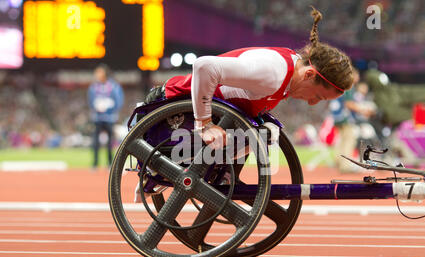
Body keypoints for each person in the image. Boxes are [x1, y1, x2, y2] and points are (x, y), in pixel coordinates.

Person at [135, 6, 355, 202]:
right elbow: (204, 67)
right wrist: (205, 124)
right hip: (167, 108)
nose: (311, 103)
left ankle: (221, 175)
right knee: (260, 133)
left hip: (196, 111)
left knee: (268, 131)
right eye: (317, 96)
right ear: (308, 75)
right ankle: (165, 173)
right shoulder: (273, 72)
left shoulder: (287, 74)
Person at [87, 64, 124, 170]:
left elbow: (119, 101)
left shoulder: (113, 86)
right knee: (95, 141)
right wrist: (96, 106)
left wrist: (110, 106)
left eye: (99, 72)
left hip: (109, 117)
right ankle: (95, 163)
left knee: (110, 142)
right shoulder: (93, 87)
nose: (97, 75)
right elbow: (90, 101)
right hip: (97, 117)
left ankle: (109, 163)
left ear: (104, 73)